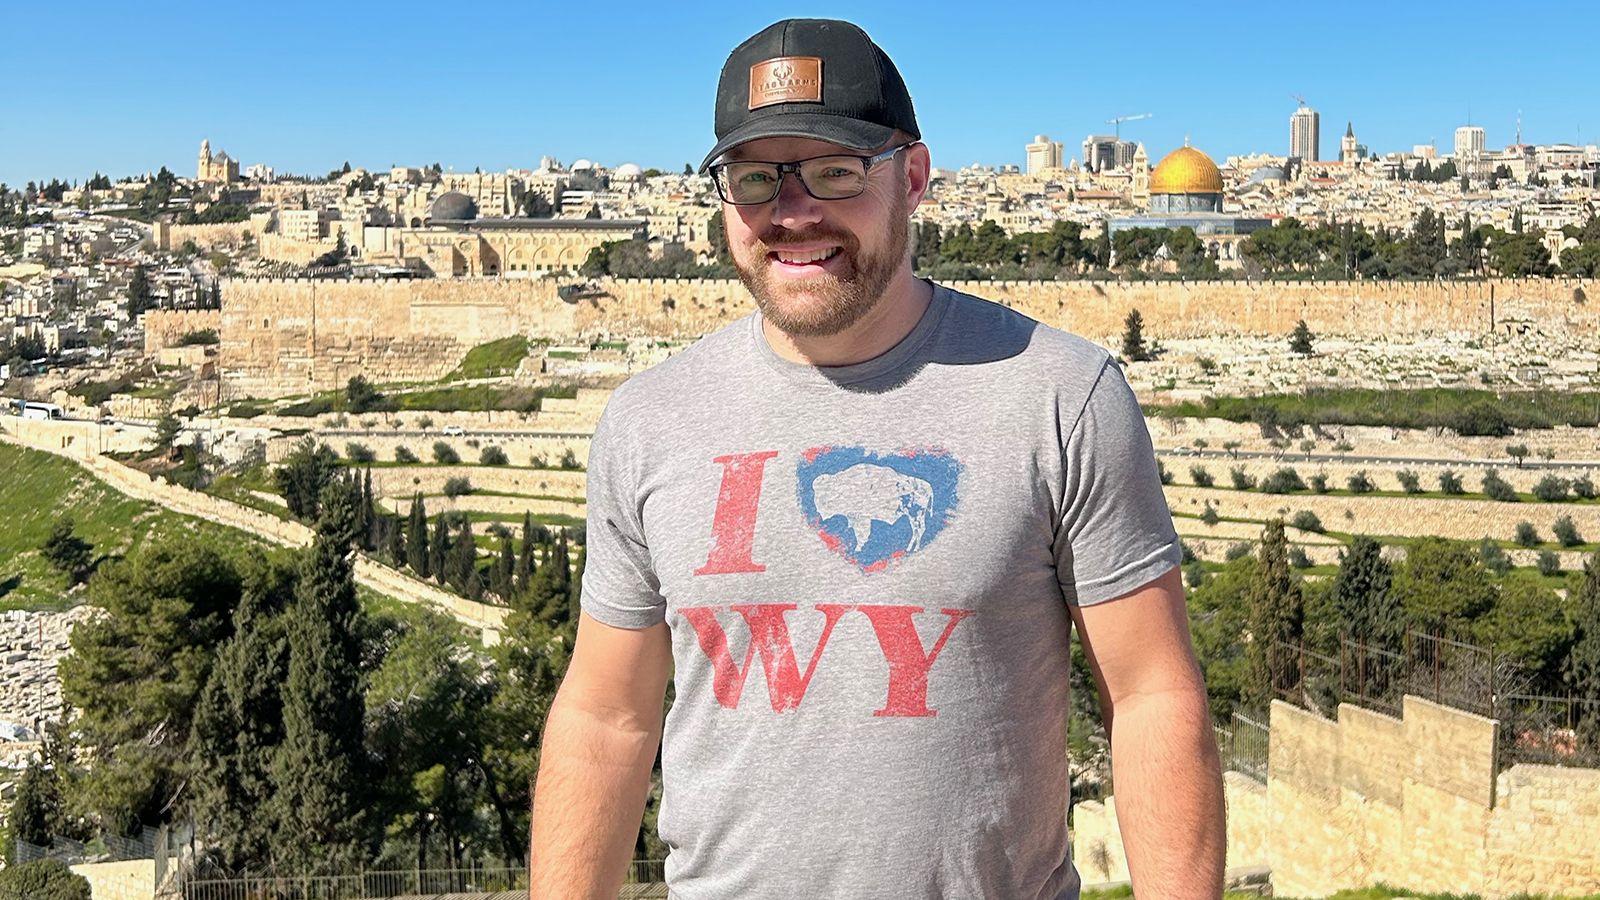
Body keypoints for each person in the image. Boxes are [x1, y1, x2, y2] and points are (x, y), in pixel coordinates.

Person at [529, 18, 1224, 900]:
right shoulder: (648, 421)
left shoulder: (1061, 396)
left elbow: (1153, 696)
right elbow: (607, 717)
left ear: (915, 178)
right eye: (756, 178)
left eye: (836, 171)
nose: (792, 212)